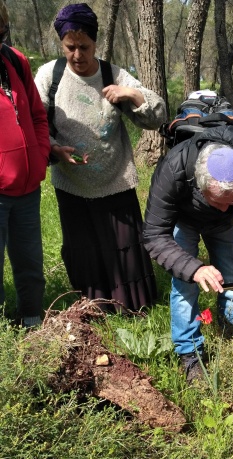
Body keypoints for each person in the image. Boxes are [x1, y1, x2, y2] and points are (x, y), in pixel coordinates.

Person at [34, 3, 166, 312]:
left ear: (96, 43)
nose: (77, 55)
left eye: (84, 47)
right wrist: (53, 148)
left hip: (115, 180)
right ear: (61, 44)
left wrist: (131, 95)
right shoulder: (49, 76)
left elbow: (156, 115)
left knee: (124, 251)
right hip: (72, 184)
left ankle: (134, 309)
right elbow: (35, 121)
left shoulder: (114, 75)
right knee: (84, 251)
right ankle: (93, 308)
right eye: (70, 47)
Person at [142, 127, 233, 381]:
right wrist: (194, 269)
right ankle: (190, 354)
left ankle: (232, 334)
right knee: (185, 285)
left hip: (225, 227)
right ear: (199, 185)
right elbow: (155, 234)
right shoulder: (174, 167)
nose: (224, 208)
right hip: (185, 220)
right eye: (217, 201)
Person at [0, 1, 50, 328]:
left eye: (0, 32)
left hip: (28, 189)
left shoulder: (15, 60)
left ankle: (32, 325)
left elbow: (36, 113)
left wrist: (41, 152)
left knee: (31, 263)